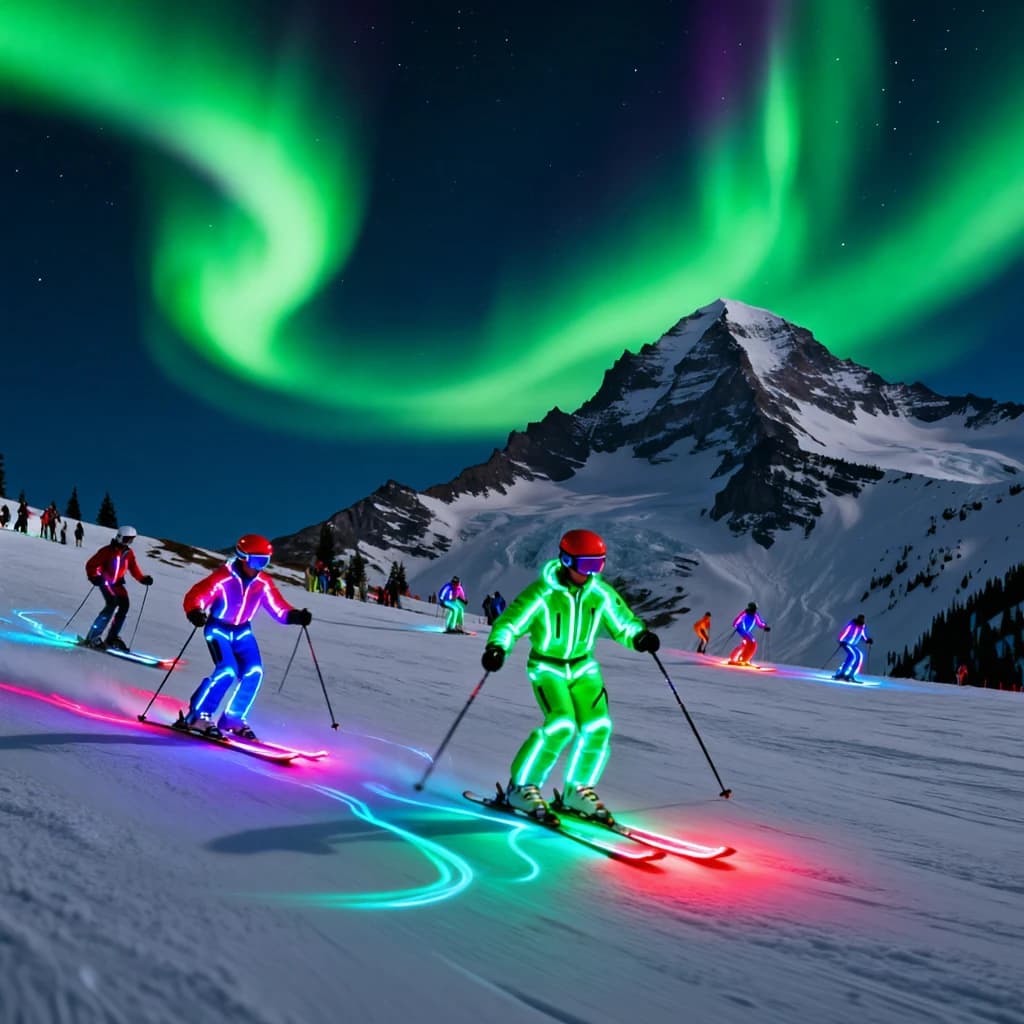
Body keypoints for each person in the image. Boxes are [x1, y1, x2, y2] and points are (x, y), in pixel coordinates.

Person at [480, 529, 659, 822]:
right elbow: (510, 623)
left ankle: (578, 789)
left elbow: (623, 621)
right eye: (586, 565)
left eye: (597, 566)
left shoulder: (598, 593)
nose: (591, 573)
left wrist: (639, 636)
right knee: (562, 724)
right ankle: (521, 786)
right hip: (547, 667)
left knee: (598, 726)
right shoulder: (542, 593)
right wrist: (498, 647)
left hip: (583, 667)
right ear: (565, 560)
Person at [180, 534, 311, 739]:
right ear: (243, 557)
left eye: (265, 561)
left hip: (242, 632)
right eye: (257, 561)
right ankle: (198, 716)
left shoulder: (263, 583)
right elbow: (197, 595)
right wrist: (195, 611)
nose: (260, 567)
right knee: (227, 670)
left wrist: (296, 616)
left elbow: (279, 610)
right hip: (218, 629)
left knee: (254, 671)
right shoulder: (223, 578)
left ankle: (232, 718)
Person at [82, 526, 154, 651]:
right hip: (106, 582)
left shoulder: (128, 553)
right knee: (111, 604)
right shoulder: (107, 551)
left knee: (124, 606)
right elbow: (91, 564)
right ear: (120, 537)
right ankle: (93, 637)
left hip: (118, 584)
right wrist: (94, 577)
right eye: (127, 539)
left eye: (131, 540)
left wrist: (142, 578)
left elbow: (133, 568)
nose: (128, 543)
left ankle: (112, 639)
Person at [835, 614, 873, 681]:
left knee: (860, 656)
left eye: (863, 619)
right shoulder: (852, 625)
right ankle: (841, 673)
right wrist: (841, 640)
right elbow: (844, 632)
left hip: (852, 645)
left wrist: (867, 640)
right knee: (852, 656)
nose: (862, 621)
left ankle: (851, 674)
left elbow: (863, 635)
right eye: (861, 619)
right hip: (846, 643)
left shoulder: (862, 627)